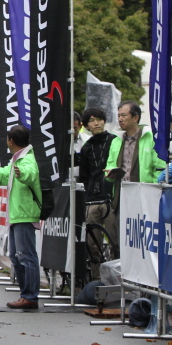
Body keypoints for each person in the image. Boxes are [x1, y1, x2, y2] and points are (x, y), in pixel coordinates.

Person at [0, 125, 41, 310]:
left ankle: (30, 296)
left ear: (10, 141)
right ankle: (26, 294)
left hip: (24, 214)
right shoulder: (18, 159)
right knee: (15, 255)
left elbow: (30, 172)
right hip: (18, 214)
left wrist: (23, 174)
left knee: (26, 255)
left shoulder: (26, 159)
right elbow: (5, 177)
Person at [78, 107, 118, 276]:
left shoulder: (115, 140)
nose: (96, 123)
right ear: (86, 125)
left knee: (115, 241)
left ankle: (117, 278)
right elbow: (84, 176)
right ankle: (95, 280)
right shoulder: (86, 148)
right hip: (92, 200)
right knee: (93, 243)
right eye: (92, 120)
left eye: (99, 119)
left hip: (110, 198)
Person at [105, 101, 166, 185]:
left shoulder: (151, 139)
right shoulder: (116, 141)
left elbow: (159, 167)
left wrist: (154, 189)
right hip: (121, 190)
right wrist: (110, 173)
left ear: (135, 118)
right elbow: (110, 164)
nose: (120, 119)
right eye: (118, 116)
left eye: (123, 115)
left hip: (144, 191)